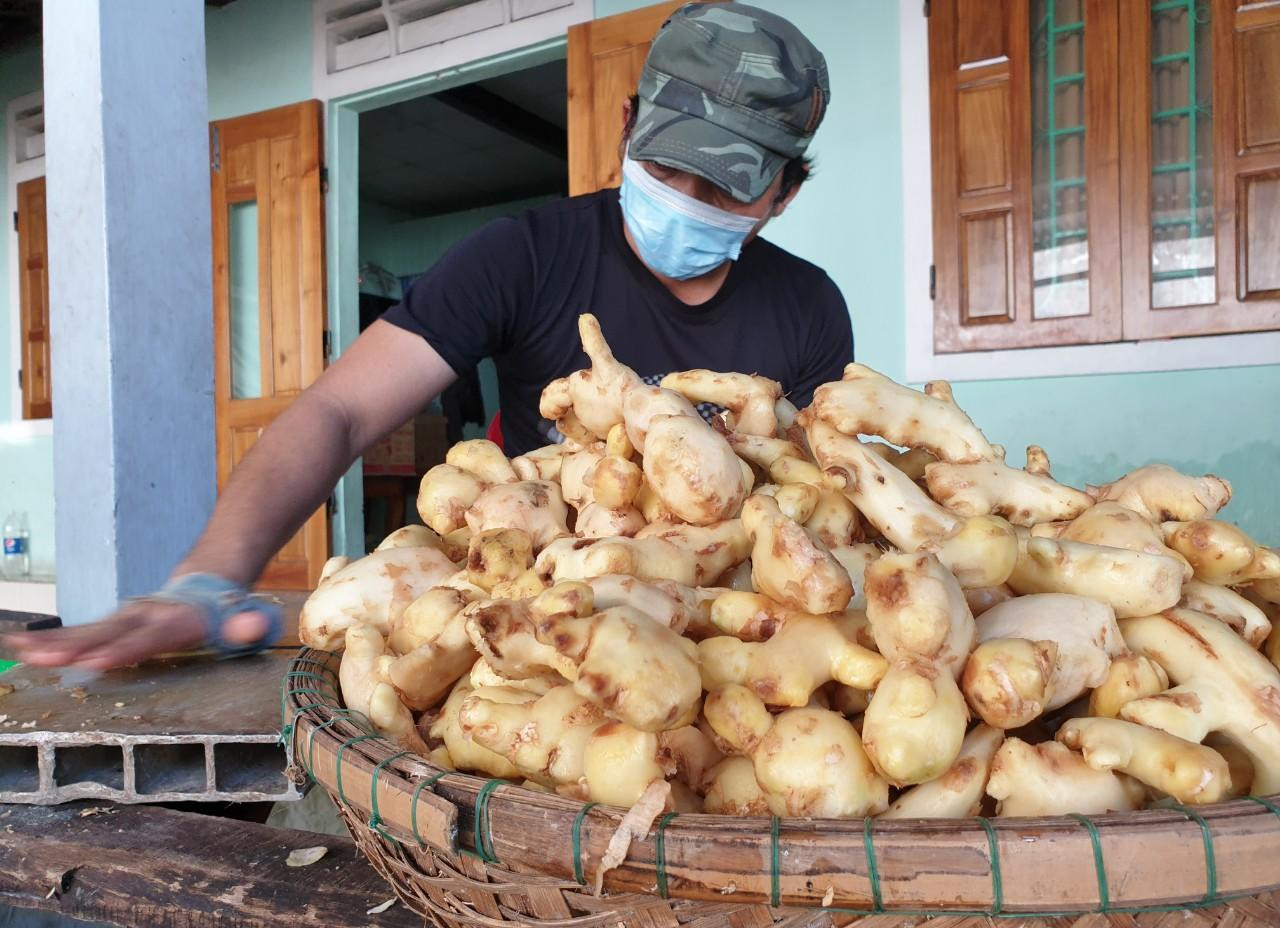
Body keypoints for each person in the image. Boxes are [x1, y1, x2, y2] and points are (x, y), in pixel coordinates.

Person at [5, 1, 852, 671]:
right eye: (667, 166)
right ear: (628, 125)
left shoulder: (810, 308)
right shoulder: (523, 258)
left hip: (736, 643)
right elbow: (337, 410)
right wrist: (210, 577)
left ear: (785, 194)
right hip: (541, 630)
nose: (688, 198)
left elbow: (818, 516)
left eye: (728, 188)